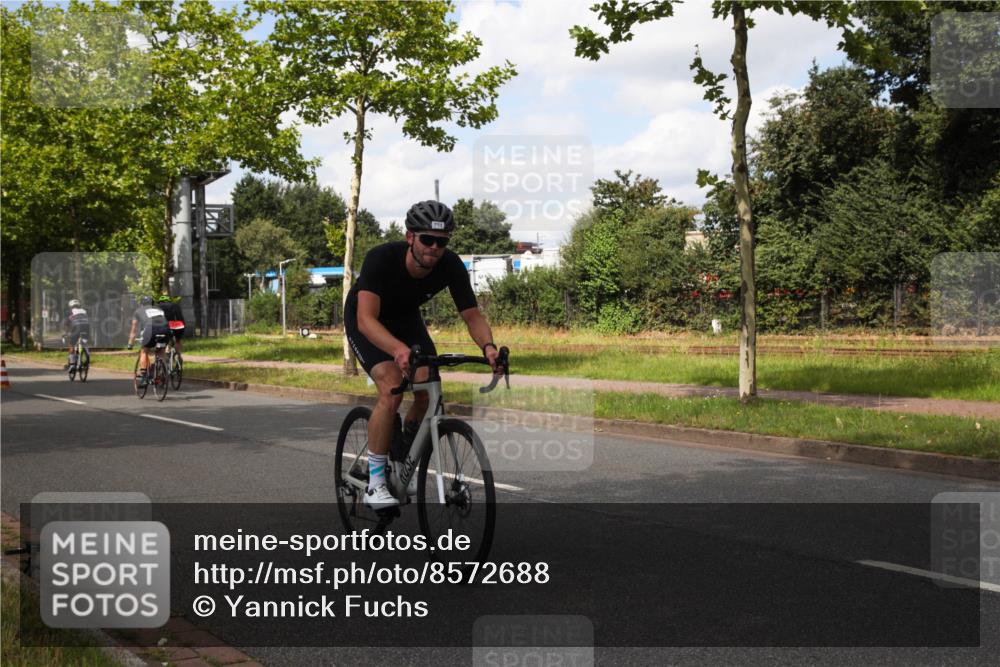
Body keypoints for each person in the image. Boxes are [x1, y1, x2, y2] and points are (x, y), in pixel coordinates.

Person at [345, 200, 503, 510]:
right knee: (391, 385)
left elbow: (472, 315)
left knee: (428, 387)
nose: (434, 247)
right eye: (427, 239)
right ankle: (376, 483)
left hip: (405, 319)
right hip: (368, 319)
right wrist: (396, 349)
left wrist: (489, 347)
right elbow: (366, 320)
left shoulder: (450, 265)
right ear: (410, 237)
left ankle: (402, 448)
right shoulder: (381, 259)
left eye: (441, 242)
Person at [126, 295, 171, 385]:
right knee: (160, 351)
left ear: (141, 304)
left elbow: (133, 330)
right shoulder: (159, 309)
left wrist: (130, 344)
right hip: (166, 329)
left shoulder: (138, 311)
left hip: (151, 328)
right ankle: (162, 371)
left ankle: (143, 377)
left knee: (144, 351)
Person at [63, 299, 91, 370]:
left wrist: (66, 333)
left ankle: (72, 365)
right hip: (86, 327)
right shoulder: (85, 311)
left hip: (76, 327)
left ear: (70, 306)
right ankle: (87, 355)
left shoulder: (70, 312)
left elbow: (66, 324)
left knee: (71, 344)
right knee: (84, 342)